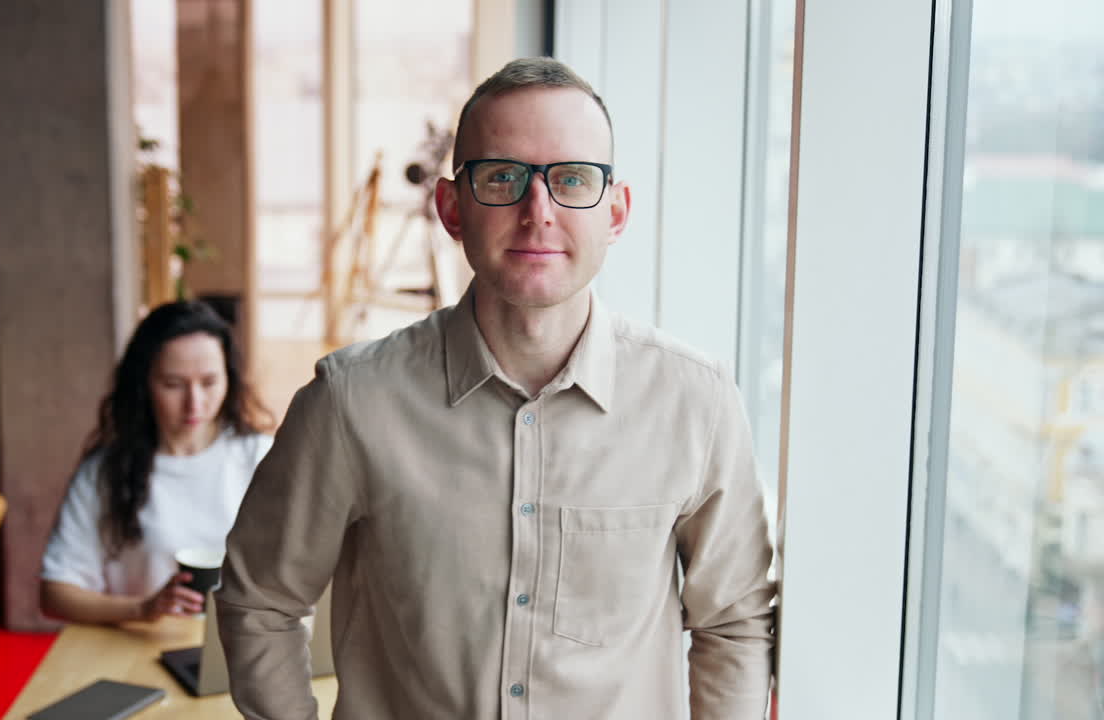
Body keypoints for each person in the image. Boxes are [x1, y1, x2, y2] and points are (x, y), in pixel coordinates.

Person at [217, 57, 775, 719]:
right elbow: (261, 602)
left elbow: (734, 624)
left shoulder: (696, 404)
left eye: (572, 179)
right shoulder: (351, 402)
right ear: (452, 209)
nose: (537, 211)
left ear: (616, 212)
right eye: (503, 177)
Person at [40, 300, 274, 624]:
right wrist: (141, 608)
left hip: (244, 643)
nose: (195, 403)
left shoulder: (260, 457)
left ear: (229, 379)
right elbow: (54, 592)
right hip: (137, 644)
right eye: (173, 385)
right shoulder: (107, 472)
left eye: (209, 383)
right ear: (144, 384)